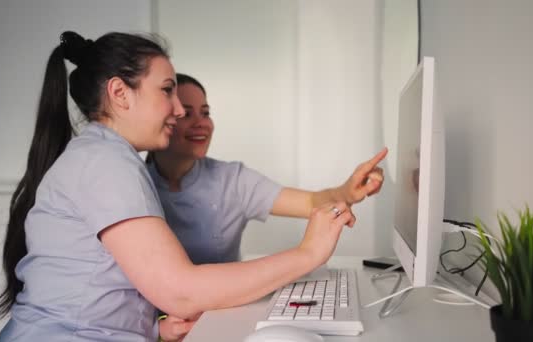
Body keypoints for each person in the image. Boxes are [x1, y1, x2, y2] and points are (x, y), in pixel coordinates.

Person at [0, 31, 360, 342]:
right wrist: (308, 254)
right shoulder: (106, 163)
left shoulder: (106, 157)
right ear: (120, 93)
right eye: (167, 90)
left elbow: (101, 285)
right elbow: (180, 292)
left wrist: (153, 328)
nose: (180, 110)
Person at [146, 74, 387, 340]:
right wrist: (157, 327)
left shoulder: (231, 178)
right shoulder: (135, 186)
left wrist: (346, 192)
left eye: (205, 112)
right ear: (165, 117)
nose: (201, 123)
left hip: (225, 315)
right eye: (186, 114)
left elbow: (308, 202)